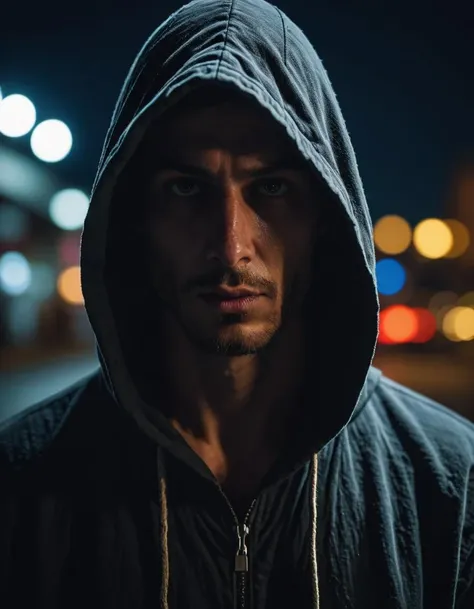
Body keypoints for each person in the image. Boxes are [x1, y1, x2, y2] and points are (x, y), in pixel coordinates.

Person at [1, 0, 473, 607]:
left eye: (270, 188)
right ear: (135, 219)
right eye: (187, 189)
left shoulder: (448, 486)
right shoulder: (20, 483)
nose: (230, 246)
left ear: (324, 219)